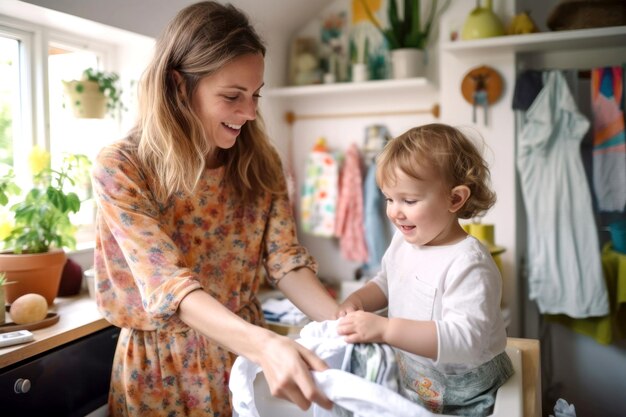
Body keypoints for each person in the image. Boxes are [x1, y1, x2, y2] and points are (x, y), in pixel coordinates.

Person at [90, 2, 339, 416]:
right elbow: (170, 285)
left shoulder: (260, 162)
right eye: (232, 96)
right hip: (161, 369)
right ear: (178, 85)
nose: (250, 112)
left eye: (255, 95)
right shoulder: (123, 167)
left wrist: (344, 325)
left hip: (244, 358)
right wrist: (264, 344)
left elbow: (285, 260)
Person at [336, 123, 514, 416]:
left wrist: (385, 329)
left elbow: (466, 339)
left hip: (466, 396)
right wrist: (358, 300)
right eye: (390, 199)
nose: (395, 211)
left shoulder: (469, 262)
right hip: (417, 380)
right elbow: (385, 282)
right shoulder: (403, 241)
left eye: (409, 200)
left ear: (455, 199)